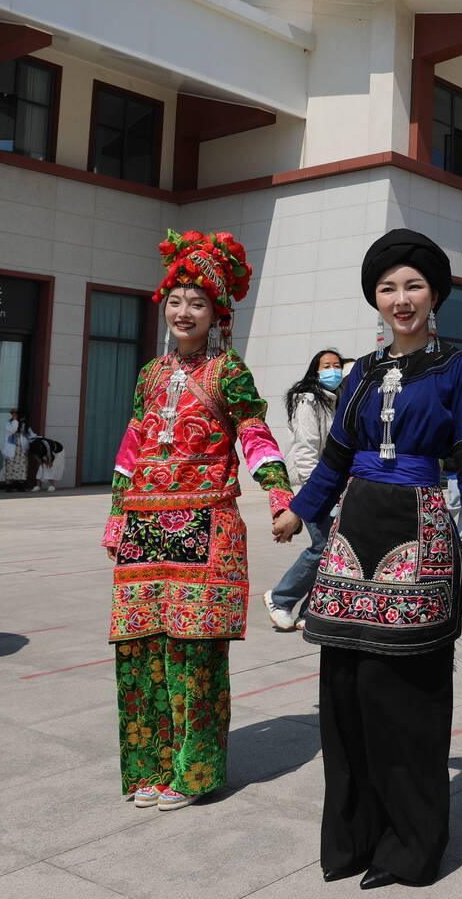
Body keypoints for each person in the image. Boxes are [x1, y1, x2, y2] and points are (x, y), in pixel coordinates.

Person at [271, 229, 462, 889]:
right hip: (352, 538)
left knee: (407, 696)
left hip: (422, 532)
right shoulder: (362, 373)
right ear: (375, 298)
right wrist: (296, 507)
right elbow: (338, 457)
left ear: (435, 296)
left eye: (414, 286)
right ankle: (352, 839)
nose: (401, 299)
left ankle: (411, 845)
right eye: (388, 288)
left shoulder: (457, 369)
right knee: (345, 692)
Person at [101, 230, 293, 811]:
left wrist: (280, 496)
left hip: (206, 526)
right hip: (143, 529)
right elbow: (132, 447)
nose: (184, 311)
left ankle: (194, 772)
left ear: (218, 313)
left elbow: (256, 436)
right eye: (177, 300)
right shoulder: (149, 375)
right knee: (140, 650)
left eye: (198, 302)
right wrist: (115, 516)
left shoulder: (228, 373)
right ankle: (149, 769)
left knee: (194, 654)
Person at [264, 348, 349, 632]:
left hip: (333, 485)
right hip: (312, 483)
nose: (333, 370)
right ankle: (280, 598)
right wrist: (314, 490)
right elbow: (305, 449)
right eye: (326, 365)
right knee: (323, 545)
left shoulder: (337, 401)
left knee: (334, 548)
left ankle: (310, 610)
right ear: (316, 370)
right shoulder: (308, 400)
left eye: (337, 365)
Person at [0, 409, 35, 492]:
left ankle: (20, 485)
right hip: (12, 449)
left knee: (21, 467)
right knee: (10, 467)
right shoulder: (10, 423)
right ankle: (9, 485)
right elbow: (13, 430)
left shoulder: (25, 425)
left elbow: (31, 435)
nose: (23, 419)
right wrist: (15, 420)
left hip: (21, 450)